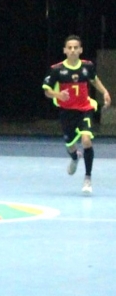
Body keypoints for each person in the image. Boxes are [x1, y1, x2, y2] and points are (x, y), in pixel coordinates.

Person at [42, 35, 111, 195]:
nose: (73, 50)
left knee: (86, 140)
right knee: (70, 145)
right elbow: (47, 91)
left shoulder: (87, 66)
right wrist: (58, 95)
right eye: (70, 48)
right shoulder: (57, 69)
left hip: (85, 108)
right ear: (65, 50)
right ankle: (74, 157)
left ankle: (87, 178)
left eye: (75, 47)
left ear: (80, 50)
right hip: (67, 112)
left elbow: (94, 80)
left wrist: (105, 92)